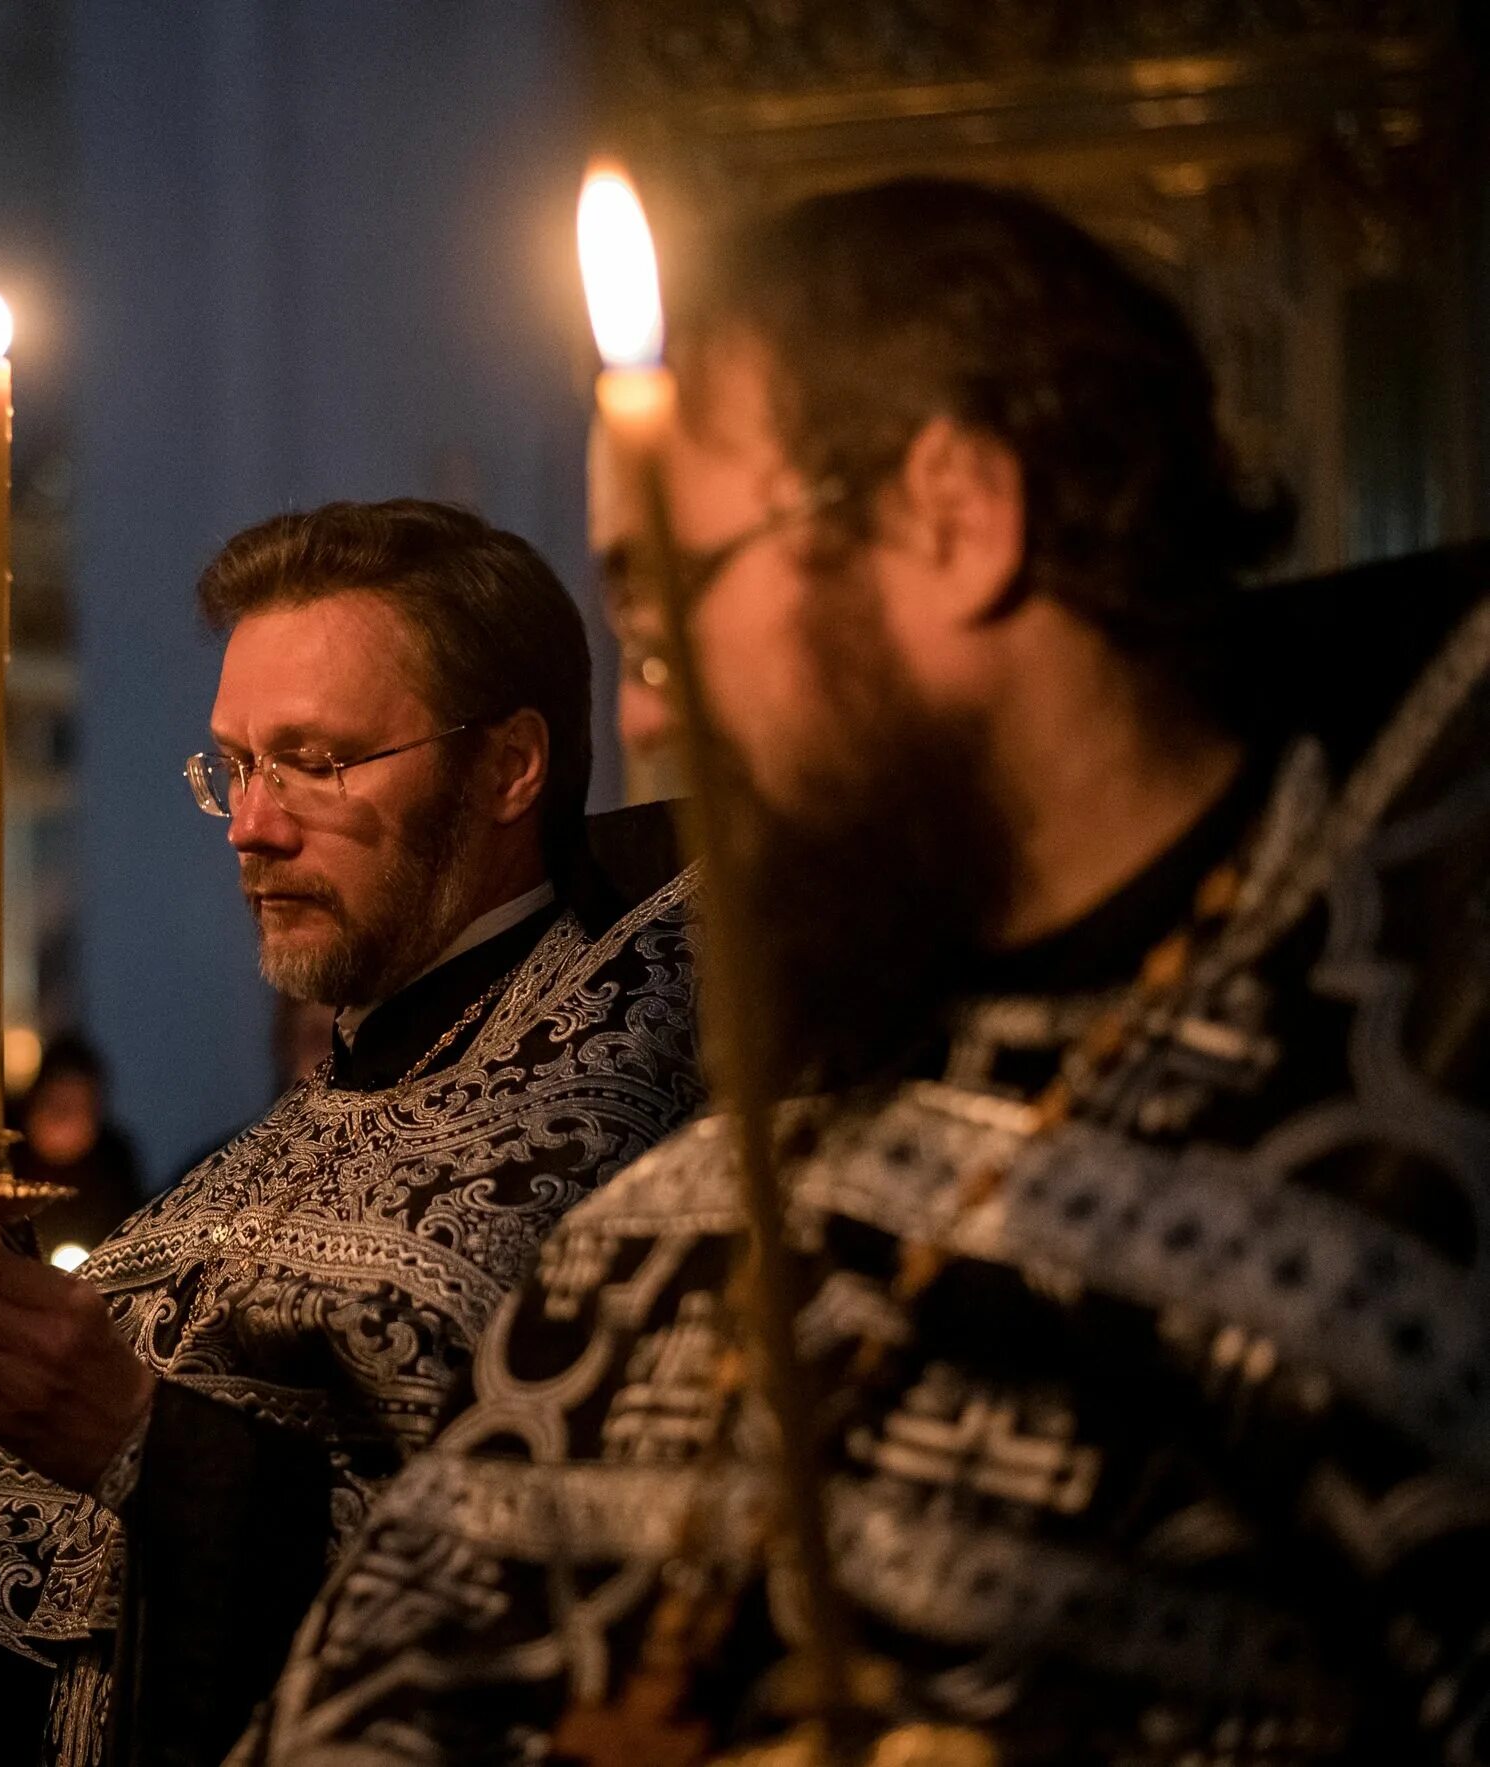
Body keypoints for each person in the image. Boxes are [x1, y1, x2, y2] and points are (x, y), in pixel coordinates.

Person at [240, 179, 1490, 1764]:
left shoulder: (1401, 1178)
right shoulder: (653, 1230)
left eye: (677, 602)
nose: (647, 724)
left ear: (951, 520)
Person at [0, 499, 706, 1766]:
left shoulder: (625, 1125)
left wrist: (140, 1444)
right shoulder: (287, 1131)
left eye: (319, 762)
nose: (250, 825)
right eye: (235, 764)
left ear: (511, 765)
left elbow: (555, 1605)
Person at [16, 1034, 145, 1261]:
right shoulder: (9, 1158)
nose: (66, 1121)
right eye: (57, 1106)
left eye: (80, 1108)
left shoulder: (114, 1163)